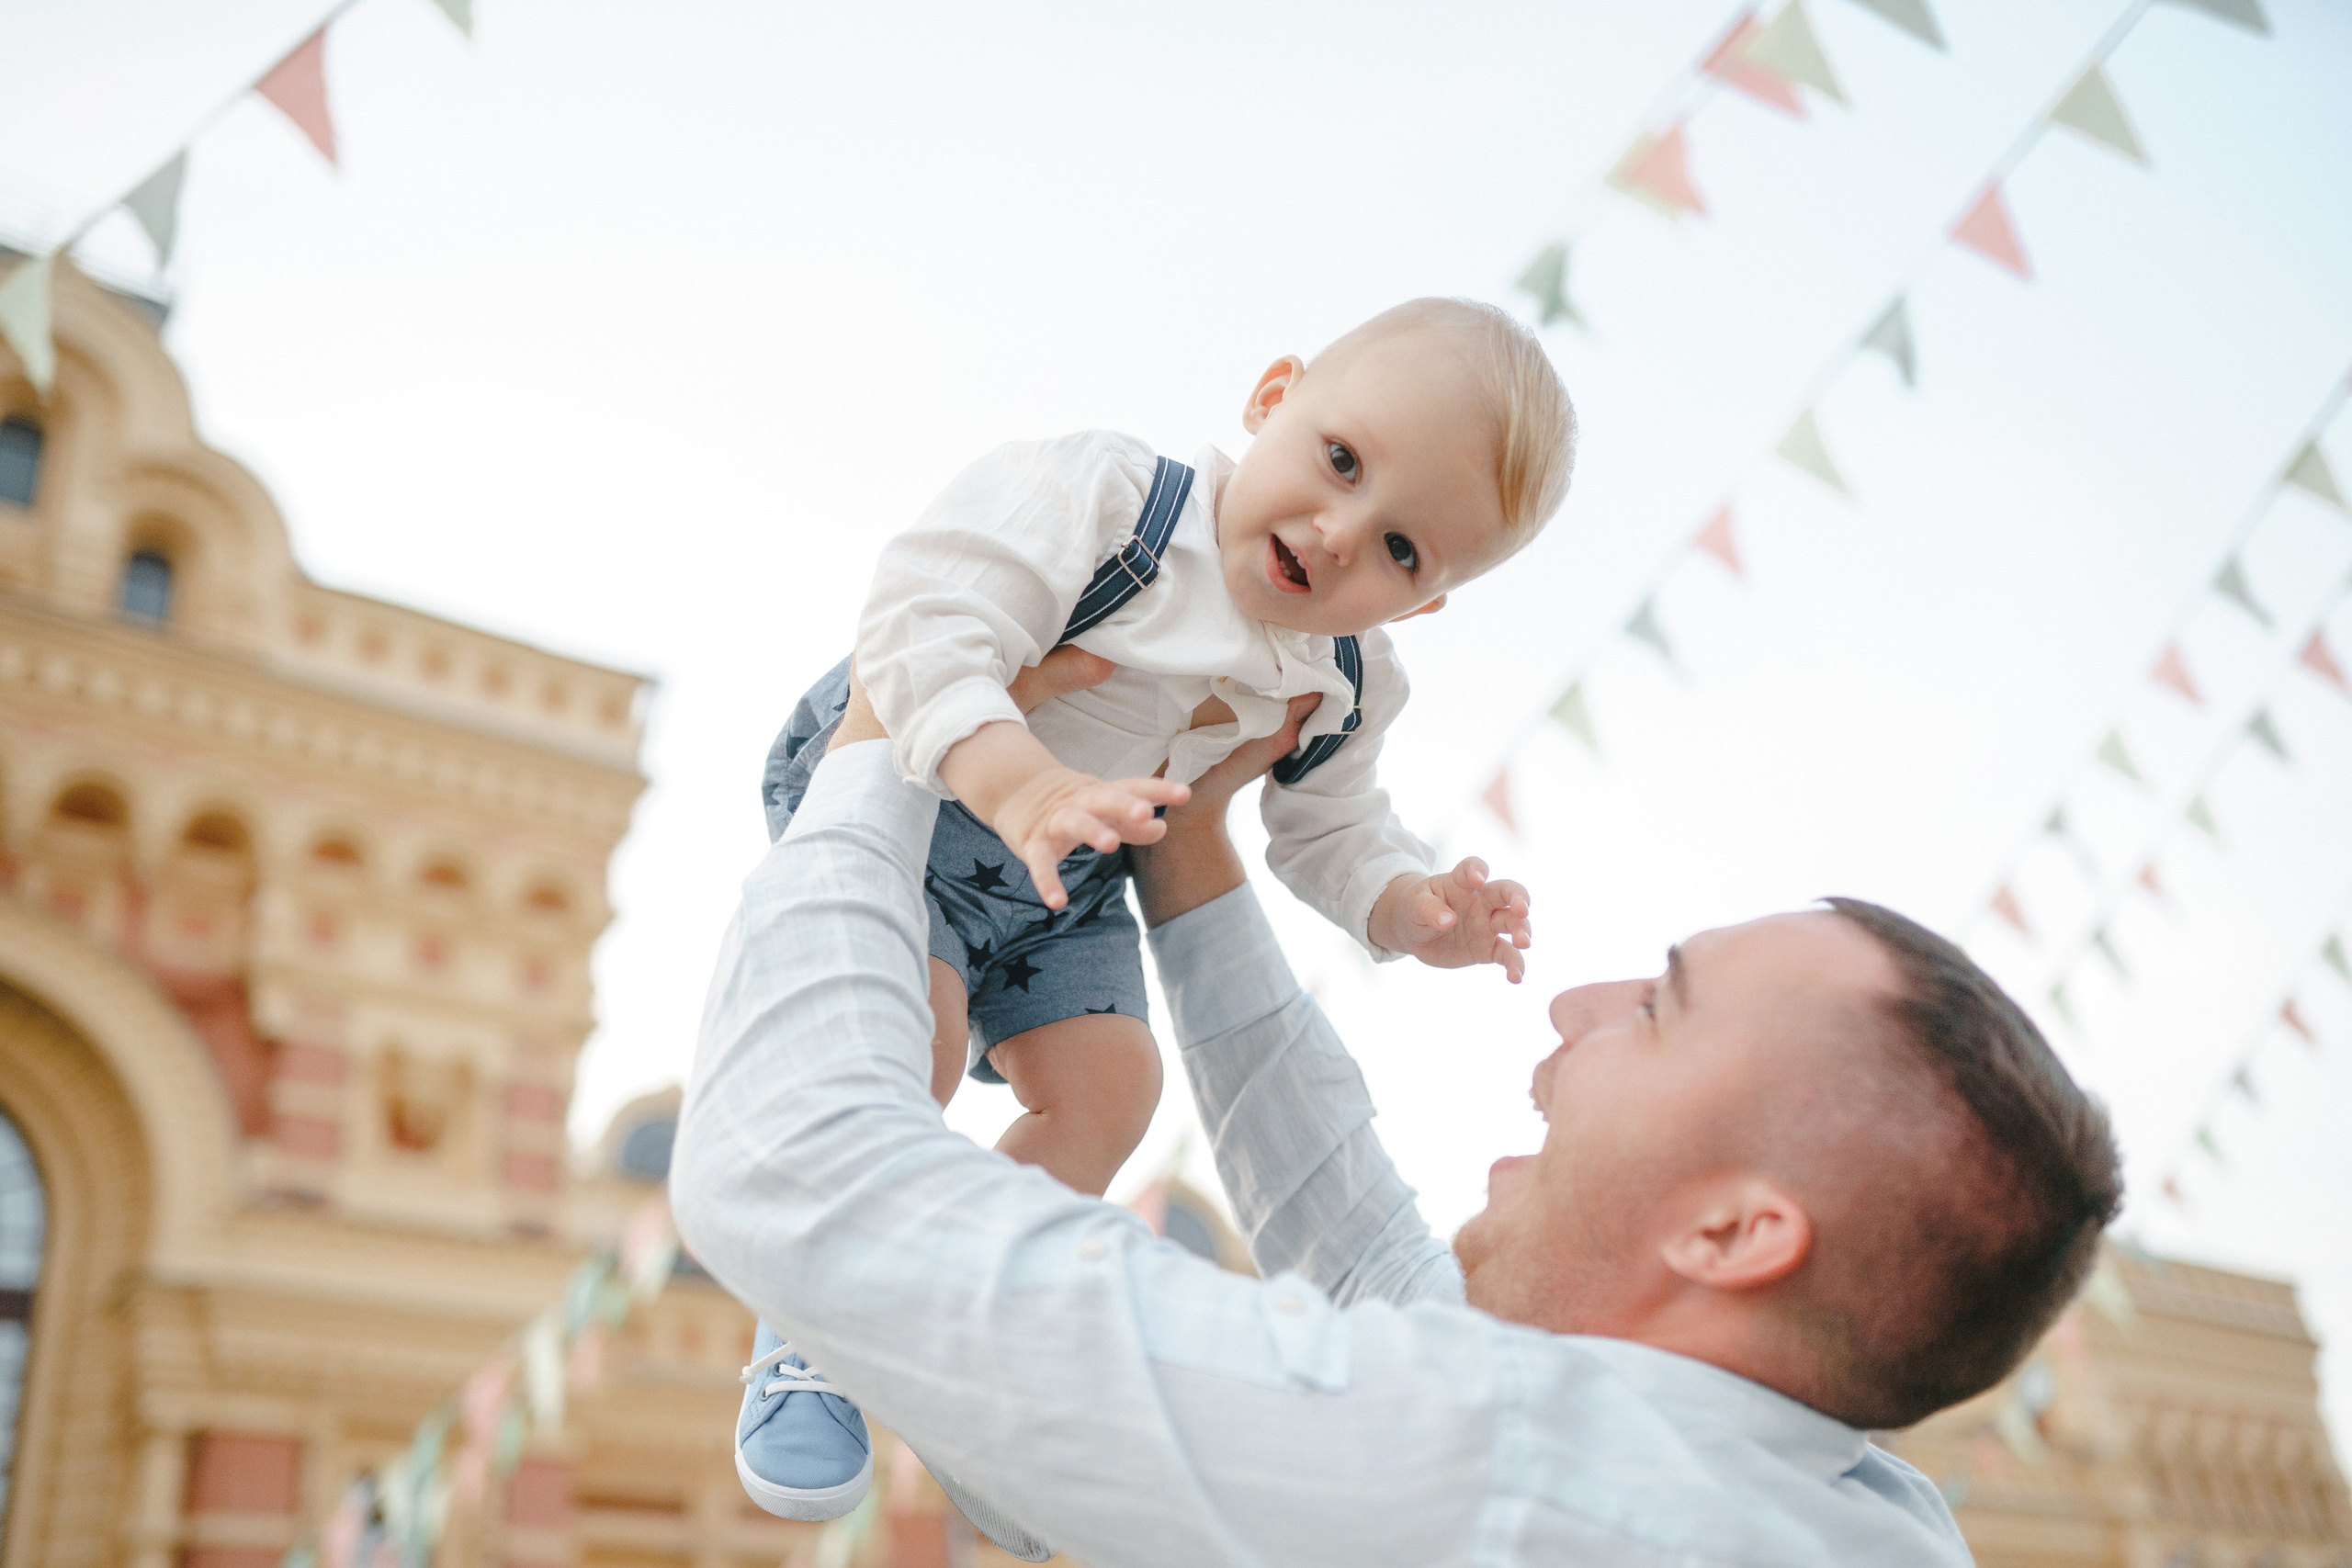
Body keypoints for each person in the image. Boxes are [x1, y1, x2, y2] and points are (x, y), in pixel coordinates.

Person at [673, 655, 2125, 1566]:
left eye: (1659, 1009)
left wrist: (890, 723)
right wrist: (1195, 841)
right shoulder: (1854, 1515)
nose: (1574, 1003)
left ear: (1738, 1233)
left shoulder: (1539, 1497)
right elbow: (1363, 1247)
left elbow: (797, 1169)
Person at [730, 297, 1570, 1519]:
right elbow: (922, 618)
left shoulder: (1348, 680)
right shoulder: (1116, 503)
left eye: (1401, 549)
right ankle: (813, 1321)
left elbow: (1331, 830)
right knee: (919, 1040)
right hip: (925, 792)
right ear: (1273, 397)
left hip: (1075, 878)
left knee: (1115, 1087)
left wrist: (1410, 908)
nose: (1339, 533)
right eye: (1341, 460)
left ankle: (962, 1342)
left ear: (1421, 604)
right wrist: (1020, 781)